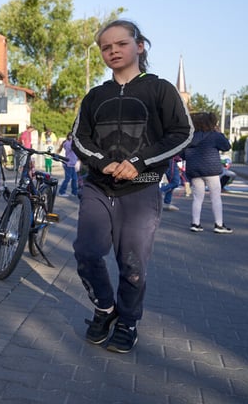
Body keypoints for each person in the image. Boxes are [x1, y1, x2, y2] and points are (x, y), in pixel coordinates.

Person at [71, 19, 192, 353]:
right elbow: (79, 139)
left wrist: (140, 163)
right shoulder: (95, 96)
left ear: (139, 46)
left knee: (133, 263)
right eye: (106, 47)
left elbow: (182, 134)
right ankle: (106, 309)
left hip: (143, 187)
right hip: (98, 186)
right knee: (87, 252)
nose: (113, 51)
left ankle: (128, 321)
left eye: (120, 44)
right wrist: (101, 162)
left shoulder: (159, 89)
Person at [183, 112, 232, 234]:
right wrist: (219, 132)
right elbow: (226, 146)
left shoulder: (189, 137)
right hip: (211, 170)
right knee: (215, 197)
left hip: (194, 170)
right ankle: (219, 225)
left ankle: (195, 223)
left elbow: (182, 154)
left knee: (197, 198)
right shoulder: (214, 135)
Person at [58, 132, 79, 197]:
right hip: (68, 164)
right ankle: (61, 192)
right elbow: (71, 148)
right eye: (71, 136)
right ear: (69, 136)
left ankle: (74, 192)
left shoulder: (73, 143)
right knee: (67, 179)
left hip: (73, 164)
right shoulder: (67, 143)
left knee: (75, 179)